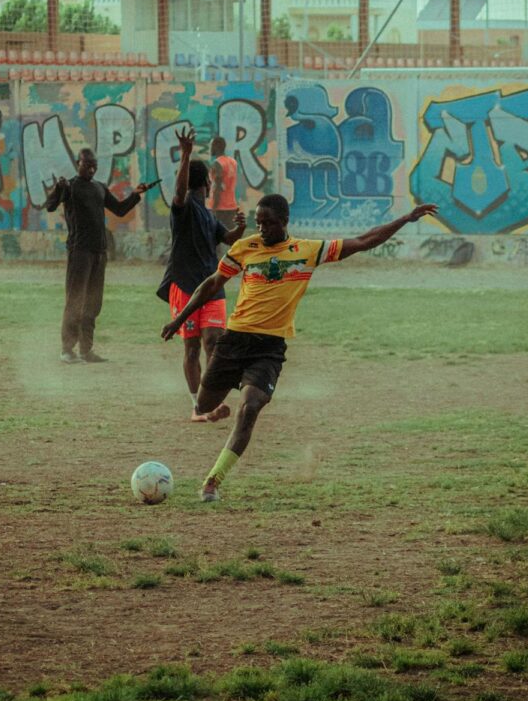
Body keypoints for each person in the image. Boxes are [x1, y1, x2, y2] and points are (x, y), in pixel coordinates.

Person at [161, 192, 437, 500]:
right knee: (203, 405)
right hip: (234, 341)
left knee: (250, 407)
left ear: (285, 222)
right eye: (259, 223)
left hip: (268, 348)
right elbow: (211, 283)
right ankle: (211, 413)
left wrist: (405, 218)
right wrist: (179, 319)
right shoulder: (244, 248)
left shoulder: (307, 250)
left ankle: (213, 481)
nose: (263, 229)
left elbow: (363, 240)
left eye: (270, 223)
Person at [157, 127, 246, 421]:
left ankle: (209, 402)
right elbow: (180, 192)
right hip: (183, 286)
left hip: (212, 285)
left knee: (213, 344)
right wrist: (185, 155)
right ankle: (197, 407)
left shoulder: (208, 215)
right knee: (192, 348)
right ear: (206, 183)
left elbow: (229, 238)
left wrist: (241, 229)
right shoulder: (183, 209)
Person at [46, 148, 147, 364]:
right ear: (77, 163)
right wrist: (57, 189)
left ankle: (86, 350)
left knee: (93, 302)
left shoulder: (99, 188)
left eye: (94, 166)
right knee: (75, 300)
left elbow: (119, 210)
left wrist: (136, 195)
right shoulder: (69, 187)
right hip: (79, 251)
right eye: (86, 165)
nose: (91, 169)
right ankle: (67, 350)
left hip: (99, 253)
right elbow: (50, 206)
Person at [209, 137, 239, 233]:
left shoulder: (217, 163)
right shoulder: (233, 162)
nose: (210, 148)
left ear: (217, 146)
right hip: (231, 206)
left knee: (216, 238)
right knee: (230, 238)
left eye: (212, 145)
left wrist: (214, 208)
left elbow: (218, 187)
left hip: (220, 208)